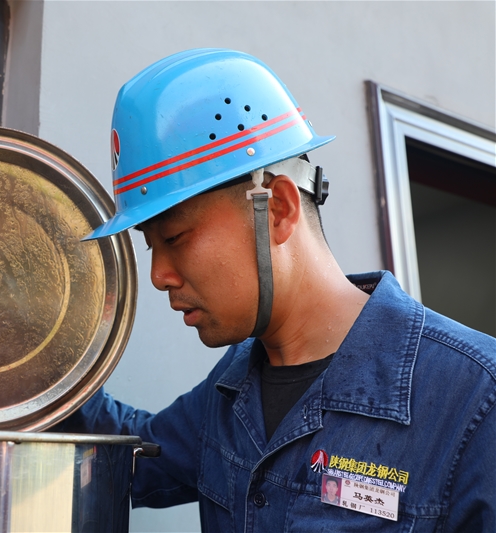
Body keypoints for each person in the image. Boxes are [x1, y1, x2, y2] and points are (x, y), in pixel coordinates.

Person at [52, 49, 496, 531]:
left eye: (175, 237)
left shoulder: (475, 400)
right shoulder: (231, 389)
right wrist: (36, 347)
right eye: (150, 246)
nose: (159, 275)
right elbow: (128, 455)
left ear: (278, 209)